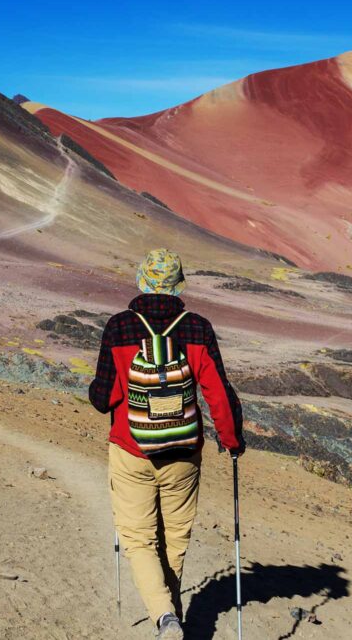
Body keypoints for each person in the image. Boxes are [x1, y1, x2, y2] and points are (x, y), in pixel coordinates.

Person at [89, 248, 246, 639]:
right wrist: (232, 441)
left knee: (139, 540)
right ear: (178, 284)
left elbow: (103, 398)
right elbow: (219, 394)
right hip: (184, 453)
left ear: (141, 279)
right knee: (174, 539)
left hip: (131, 450)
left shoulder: (120, 327)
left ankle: (165, 618)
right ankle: (170, 614)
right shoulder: (198, 329)